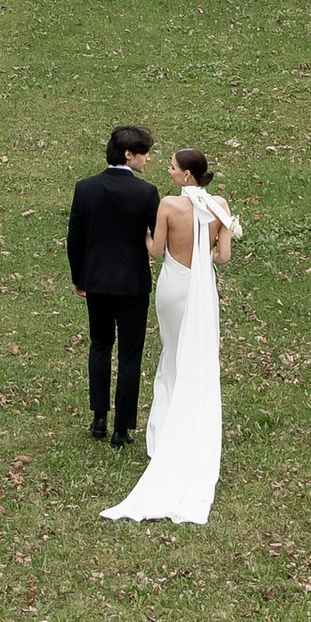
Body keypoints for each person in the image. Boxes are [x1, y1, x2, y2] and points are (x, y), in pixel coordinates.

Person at [102, 148, 234, 529]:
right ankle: (191, 426)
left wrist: (142, 234)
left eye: (174, 168)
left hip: (174, 286)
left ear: (188, 175)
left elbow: (156, 251)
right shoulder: (220, 205)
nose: (169, 172)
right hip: (202, 287)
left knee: (172, 354)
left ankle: (162, 435)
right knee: (197, 354)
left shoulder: (168, 207)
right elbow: (222, 258)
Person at [66, 123, 158, 445]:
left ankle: (99, 418)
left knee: (100, 344)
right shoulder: (146, 193)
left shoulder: (85, 188)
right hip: (132, 286)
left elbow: (74, 238)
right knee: (130, 354)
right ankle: (122, 429)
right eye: (144, 154)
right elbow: (155, 238)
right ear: (129, 154)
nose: (147, 160)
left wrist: (80, 278)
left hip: (97, 283)